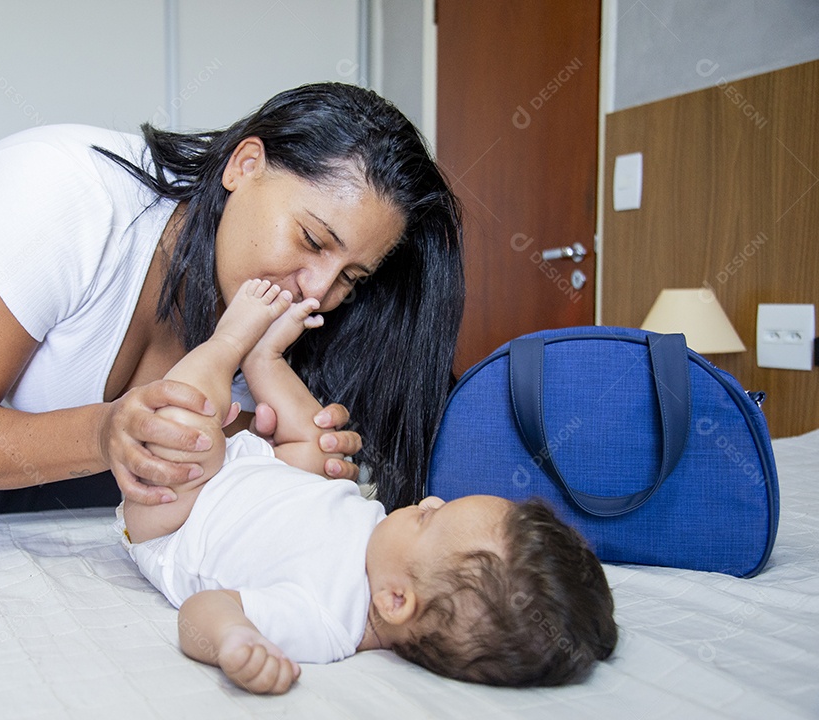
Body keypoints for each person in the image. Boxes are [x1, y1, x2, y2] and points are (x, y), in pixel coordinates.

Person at [0, 82, 464, 534]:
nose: (317, 291)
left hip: (71, 434)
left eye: (351, 277)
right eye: (312, 240)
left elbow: (203, 486)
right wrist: (107, 431)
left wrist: (293, 454)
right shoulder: (59, 194)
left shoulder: (282, 323)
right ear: (244, 165)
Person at [118, 278, 617, 694]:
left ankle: (228, 342)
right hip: (255, 473)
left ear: (395, 601)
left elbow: (204, 609)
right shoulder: (385, 554)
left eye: (428, 519)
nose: (429, 500)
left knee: (185, 433)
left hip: (175, 517)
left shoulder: (324, 619)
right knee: (322, 447)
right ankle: (265, 358)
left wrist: (235, 640)